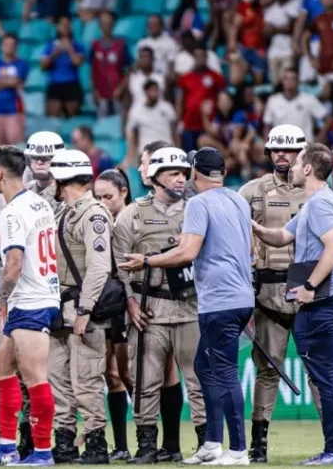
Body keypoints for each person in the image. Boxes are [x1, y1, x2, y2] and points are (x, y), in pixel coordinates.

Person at [122, 147, 254, 465]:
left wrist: (147, 261)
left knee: (224, 372)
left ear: (195, 172)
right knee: (203, 367)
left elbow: (187, 253)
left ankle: (238, 450)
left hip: (218, 300)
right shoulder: (238, 199)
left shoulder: (197, 203)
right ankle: (211, 443)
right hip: (241, 296)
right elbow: (250, 245)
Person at [251, 143, 333, 465]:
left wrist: (310, 286)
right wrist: (252, 225)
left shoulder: (319, 204)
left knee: (328, 379)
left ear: (309, 169)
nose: (294, 168)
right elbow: (282, 237)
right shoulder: (318, 203)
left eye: (298, 163)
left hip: (328, 299)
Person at [111, 147, 205, 463]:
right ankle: (147, 446)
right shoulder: (132, 214)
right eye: (173, 174)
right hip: (148, 310)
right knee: (144, 381)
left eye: (184, 174)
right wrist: (130, 302)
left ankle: (206, 444)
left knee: (198, 381)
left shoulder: (197, 210)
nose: (180, 179)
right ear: (155, 177)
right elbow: (119, 265)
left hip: (190, 307)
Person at [0, 146, 58, 467]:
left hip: (32, 302)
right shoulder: (38, 203)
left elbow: (13, 266)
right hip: (36, 297)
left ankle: (43, 451)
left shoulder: (12, 212)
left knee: (35, 377)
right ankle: (7, 446)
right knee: (1, 367)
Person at [238, 124, 307, 463]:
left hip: (310, 290)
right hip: (266, 291)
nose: (281, 154)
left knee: (320, 371)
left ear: (301, 153)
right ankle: (258, 445)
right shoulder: (251, 191)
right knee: (267, 368)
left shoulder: (318, 193)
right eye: (276, 149)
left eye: (289, 149)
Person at [45, 148, 115, 464]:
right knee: (58, 380)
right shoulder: (65, 212)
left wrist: (85, 309)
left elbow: (99, 267)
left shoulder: (93, 214)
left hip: (82, 307)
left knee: (86, 380)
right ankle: (64, 443)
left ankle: (97, 445)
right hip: (59, 307)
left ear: (62, 179)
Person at [93, 169, 134, 462]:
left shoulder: (133, 218)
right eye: (98, 197)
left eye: (107, 196)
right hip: (105, 302)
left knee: (128, 373)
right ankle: (121, 445)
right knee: (111, 374)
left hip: (128, 302)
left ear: (123, 192)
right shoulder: (98, 222)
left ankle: (148, 438)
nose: (102, 203)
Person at [22, 131, 65, 208]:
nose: (39, 162)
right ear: (28, 160)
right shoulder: (24, 191)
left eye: (45, 158)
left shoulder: (66, 194)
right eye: (34, 157)